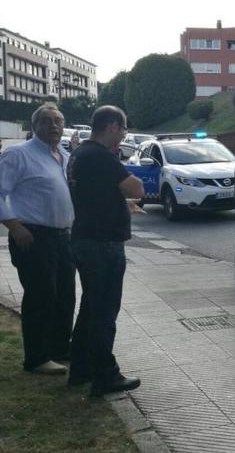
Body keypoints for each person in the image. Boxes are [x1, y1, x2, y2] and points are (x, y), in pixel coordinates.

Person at [67, 105, 145, 396]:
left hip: (86, 238)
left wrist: (119, 204)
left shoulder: (79, 154)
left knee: (89, 308)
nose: (124, 134)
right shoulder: (101, 156)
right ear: (112, 127)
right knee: (103, 312)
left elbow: (95, 195)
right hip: (103, 245)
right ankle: (105, 375)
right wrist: (130, 192)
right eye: (123, 128)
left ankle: (80, 368)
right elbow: (136, 187)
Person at [0, 103, 76, 375]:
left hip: (63, 238)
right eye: (47, 121)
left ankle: (59, 347)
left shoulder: (63, 155)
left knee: (65, 295)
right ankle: (36, 357)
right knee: (41, 296)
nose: (54, 125)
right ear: (35, 126)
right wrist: (15, 226)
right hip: (33, 236)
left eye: (59, 120)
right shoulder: (18, 154)